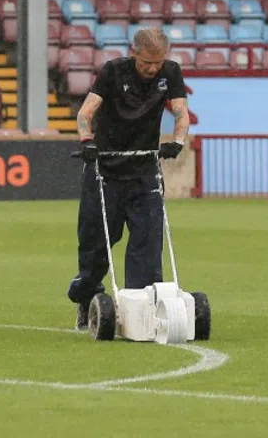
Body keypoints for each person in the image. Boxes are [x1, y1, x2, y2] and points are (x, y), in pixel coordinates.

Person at [66, 26, 190, 323]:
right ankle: (87, 295)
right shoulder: (113, 72)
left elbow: (181, 113)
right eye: (147, 62)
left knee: (147, 243)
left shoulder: (170, 74)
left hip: (144, 170)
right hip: (105, 169)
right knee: (95, 244)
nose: (152, 68)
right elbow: (85, 114)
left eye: (158, 62)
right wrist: (87, 142)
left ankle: (142, 307)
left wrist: (177, 142)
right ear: (133, 53)